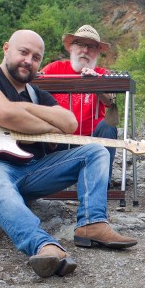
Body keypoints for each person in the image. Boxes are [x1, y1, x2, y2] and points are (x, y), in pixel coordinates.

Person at [0, 30, 138, 278]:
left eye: (36, 57)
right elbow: (4, 113)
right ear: (7, 48)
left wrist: (23, 108)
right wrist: (30, 114)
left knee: (95, 151)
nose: (29, 61)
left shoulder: (37, 94)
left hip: (30, 170)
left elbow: (69, 123)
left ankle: (92, 223)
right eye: (23, 52)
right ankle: (42, 246)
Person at [41, 25, 118, 182]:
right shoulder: (54, 68)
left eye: (91, 46)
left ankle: (101, 182)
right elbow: (33, 90)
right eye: (80, 44)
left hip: (92, 140)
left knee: (108, 125)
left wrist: (96, 83)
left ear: (97, 52)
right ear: (71, 48)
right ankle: (41, 179)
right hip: (58, 140)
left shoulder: (102, 74)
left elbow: (110, 102)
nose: (85, 50)